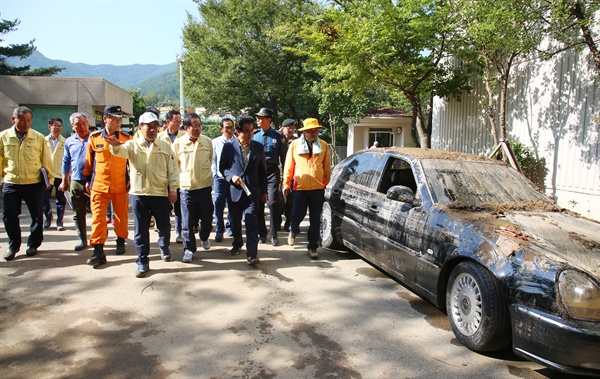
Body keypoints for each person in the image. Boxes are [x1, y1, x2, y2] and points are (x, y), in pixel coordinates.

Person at [106, 111, 179, 277]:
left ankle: (164, 245)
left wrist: (173, 188)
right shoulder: (132, 145)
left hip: (160, 193)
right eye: (149, 127)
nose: (153, 130)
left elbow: (173, 169)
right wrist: (115, 144)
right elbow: (120, 152)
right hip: (139, 194)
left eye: (155, 127)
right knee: (140, 230)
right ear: (140, 128)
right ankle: (142, 260)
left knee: (164, 226)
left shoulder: (165, 146)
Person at [0, 106, 54, 261]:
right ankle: (13, 245)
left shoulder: (38, 137)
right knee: (9, 215)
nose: (25, 123)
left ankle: (33, 244)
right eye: (22, 120)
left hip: (33, 182)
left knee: (36, 215)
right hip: (12, 182)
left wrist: (49, 181)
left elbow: (46, 160)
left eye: (29, 120)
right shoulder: (4, 137)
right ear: (13, 119)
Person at [83, 105, 131, 268]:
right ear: (105, 119)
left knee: (121, 216)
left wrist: (130, 181)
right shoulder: (94, 138)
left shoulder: (126, 139)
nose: (118, 121)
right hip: (99, 185)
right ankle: (98, 250)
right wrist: (87, 180)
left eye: (120, 118)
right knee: (98, 218)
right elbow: (89, 162)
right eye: (114, 118)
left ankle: (120, 240)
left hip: (120, 185)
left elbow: (131, 161)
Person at [220, 115, 267, 265]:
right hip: (235, 190)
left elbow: (262, 171)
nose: (249, 134)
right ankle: (237, 243)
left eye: (252, 131)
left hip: (253, 191)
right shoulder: (228, 147)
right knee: (235, 221)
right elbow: (223, 168)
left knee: (251, 220)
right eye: (246, 131)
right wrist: (231, 177)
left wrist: (264, 191)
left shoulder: (258, 147)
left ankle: (252, 254)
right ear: (237, 132)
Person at [282, 118, 331, 259]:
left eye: (315, 130)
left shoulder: (323, 145)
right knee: (297, 214)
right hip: (300, 187)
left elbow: (327, 166)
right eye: (310, 131)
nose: (313, 133)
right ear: (304, 132)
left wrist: (326, 182)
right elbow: (289, 165)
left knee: (315, 219)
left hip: (317, 188)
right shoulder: (295, 145)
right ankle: (293, 230)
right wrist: (286, 183)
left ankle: (313, 247)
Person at [172, 112, 214, 264]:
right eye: (193, 126)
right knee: (187, 220)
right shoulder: (177, 143)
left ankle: (204, 236)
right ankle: (189, 248)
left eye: (199, 125)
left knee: (208, 218)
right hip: (186, 189)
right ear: (185, 127)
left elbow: (210, 162)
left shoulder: (207, 141)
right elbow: (175, 166)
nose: (197, 128)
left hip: (204, 187)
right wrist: (175, 186)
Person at [252, 107, 287, 246]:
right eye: (258, 118)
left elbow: (285, 159)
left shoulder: (278, 137)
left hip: (272, 172)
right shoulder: (254, 135)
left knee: (272, 202)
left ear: (269, 120)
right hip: (258, 172)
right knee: (259, 204)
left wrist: (285, 178)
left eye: (261, 118)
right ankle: (262, 233)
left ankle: (273, 234)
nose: (258, 120)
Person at [58, 112, 92, 251]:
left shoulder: (95, 138)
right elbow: (66, 162)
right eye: (78, 124)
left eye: (84, 123)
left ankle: (99, 239)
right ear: (73, 126)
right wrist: (64, 181)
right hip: (76, 180)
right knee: (78, 213)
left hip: (94, 181)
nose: (82, 126)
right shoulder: (69, 141)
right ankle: (82, 239)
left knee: (98, 212)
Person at [157, 109, 185, 243]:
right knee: (164, 208)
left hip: (179, 178)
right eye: (176, 121)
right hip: (163, 179)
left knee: (180, 208)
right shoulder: (159, 137)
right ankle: (164, 233)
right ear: (168, 122)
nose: (179, 124)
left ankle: (179, 232)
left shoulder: (184, 136)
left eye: (180, 121)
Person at [211, 116, 235, 242]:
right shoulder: (215, 142)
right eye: (227, 127)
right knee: (218, 203)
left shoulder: (237, 141)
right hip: (220, 178)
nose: (230, 130)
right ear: (221, 129)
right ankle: (220, 229)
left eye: (231, 127)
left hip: (233, 178)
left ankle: (230, 226)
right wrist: (215, 174)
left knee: (233, 203)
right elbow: (213, 160)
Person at [42, 117, 67, 231]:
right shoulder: (42, 141)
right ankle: (48, 216)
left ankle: (60, 221)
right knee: (43, 198)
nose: (58, 128)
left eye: (60, 126)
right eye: (55, 125)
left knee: (60, 199)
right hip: (46, 175)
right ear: (49, 127)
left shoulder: (65, 142)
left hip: (60, 174)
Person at [278, 118, 297, 232]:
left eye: (292, 127)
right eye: (288, 127)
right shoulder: (279, 139)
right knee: (279, 199)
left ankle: (289, 221)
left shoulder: (297, 141)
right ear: (283, 128)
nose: (290, 130)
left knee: (291, 199)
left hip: (293, 174)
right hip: (279, 173)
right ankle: (277, 220)